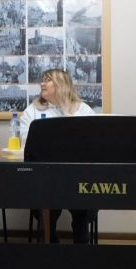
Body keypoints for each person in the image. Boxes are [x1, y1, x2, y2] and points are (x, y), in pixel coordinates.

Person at [21, 68, 95, 244]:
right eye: (42, 80)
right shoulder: (33, 111)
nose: (42, 83)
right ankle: (51, 249)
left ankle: (82, 251)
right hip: (45, 178)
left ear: (62, 84)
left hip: (78, 177)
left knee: (82, 210)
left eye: (47, 80)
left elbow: (93, 144)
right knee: (47, 211)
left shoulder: (83, 110)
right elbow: (25, 142)